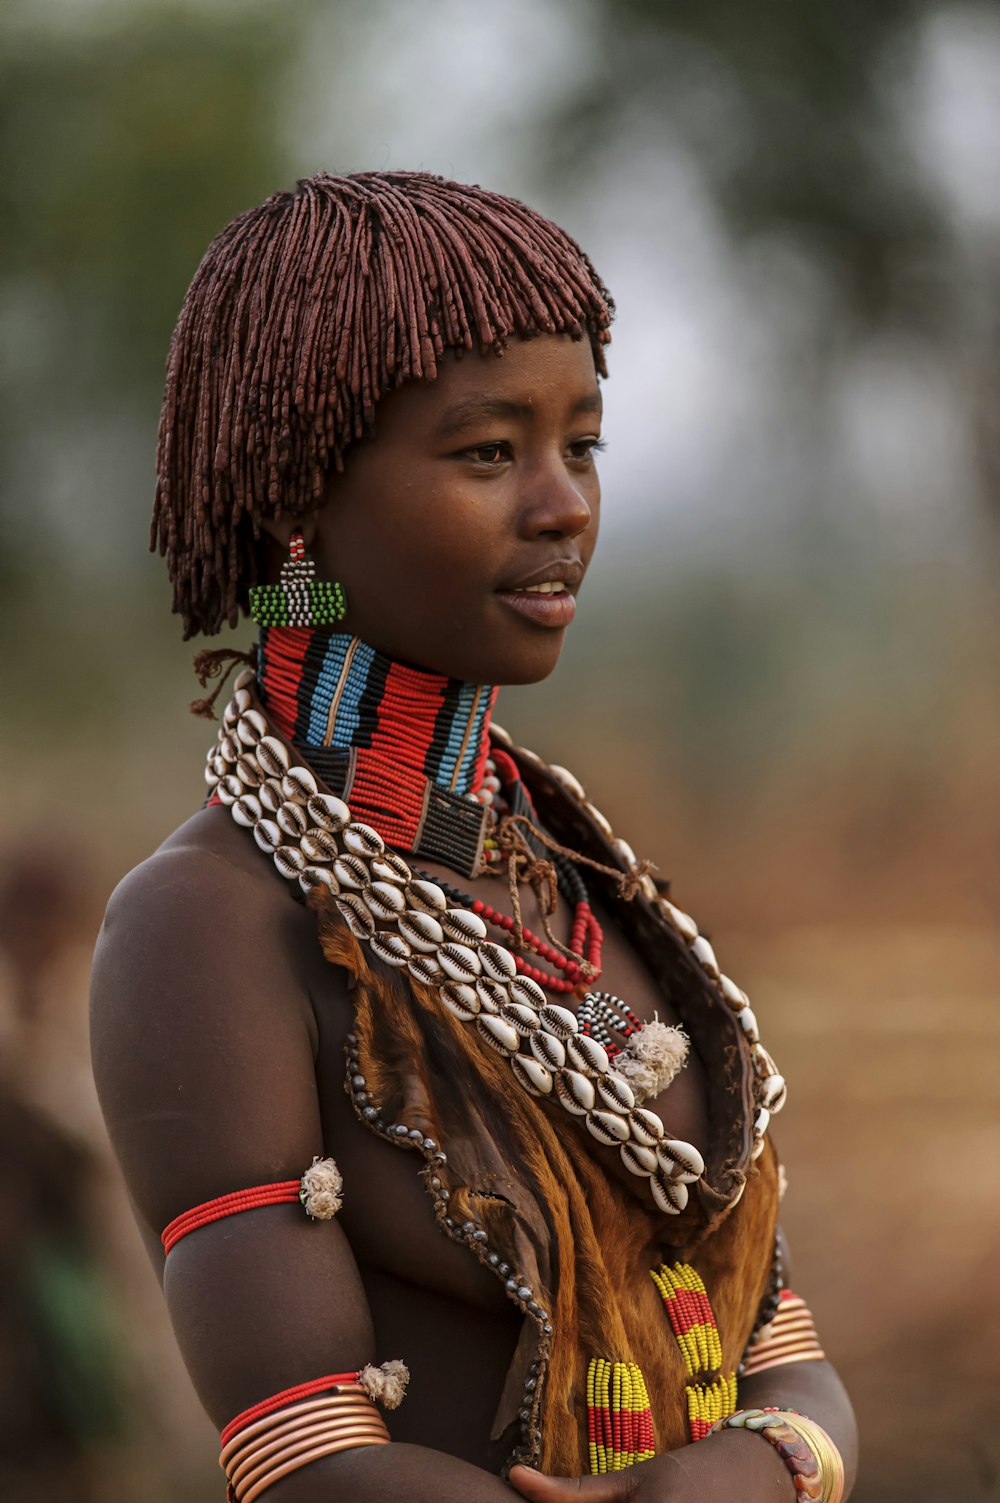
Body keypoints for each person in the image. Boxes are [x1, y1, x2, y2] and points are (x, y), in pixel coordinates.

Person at [90, 171, 857, 1503]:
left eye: (585, 445)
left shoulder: (574, 879)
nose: (562, 506)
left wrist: (741, 1475)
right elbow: (304, 1457)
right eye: (490, 452)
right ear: (299, 502)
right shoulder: (208, 927)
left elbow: (786, 1361)